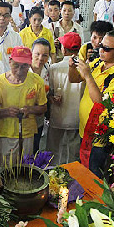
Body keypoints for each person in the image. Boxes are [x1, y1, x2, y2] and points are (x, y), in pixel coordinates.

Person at [69, 30, 114, 178]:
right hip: (85, 126)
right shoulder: (97, 62)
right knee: (84, 167)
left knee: (94, 171)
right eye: (101, 46)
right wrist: (72, 67)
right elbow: (74, 79)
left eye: (107, 49)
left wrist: (88, 75)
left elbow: (100, 102)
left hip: (99, 133)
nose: (101, 50)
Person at [0, 46, 47, 164]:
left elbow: (43, 107)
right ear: (10, 61)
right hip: (4, 133)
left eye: (24, 66)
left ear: (30, 64)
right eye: (16, 65)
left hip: (27, 133)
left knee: (24, 167)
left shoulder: (36, 81)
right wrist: (5, 112)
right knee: (5, 169)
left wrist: (30, 110)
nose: (19, 70)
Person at [47, 32, 83, 165]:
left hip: (58, 116)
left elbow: (49, 91)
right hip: (76, 117)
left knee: (53, 150)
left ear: (63, 49)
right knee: (73, 152)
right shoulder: (84, 67)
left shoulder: (54, 68)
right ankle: (71, 178)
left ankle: (52, 177)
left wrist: (52, 98)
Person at [30, 38, 51, 154]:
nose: (40, 58)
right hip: (24, 120)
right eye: (37, 54)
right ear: (31, 52)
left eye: (45, 55)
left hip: (39, 119)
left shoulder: (48, 70)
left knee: (35, 149)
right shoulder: (22, 70)